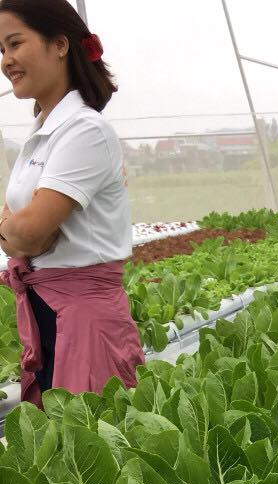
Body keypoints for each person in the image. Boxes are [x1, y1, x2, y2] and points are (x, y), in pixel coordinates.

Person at [0, 0, 142, 406]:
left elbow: (30, 231)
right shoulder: (43, 133)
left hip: (84, 322)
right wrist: (17, 232)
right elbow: (22, 230)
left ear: (59, 44)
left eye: (15, 43)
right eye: (1, 50)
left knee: (91, 432)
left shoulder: (85, 129)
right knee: (63, 434)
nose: (6, 60)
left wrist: (20, 231)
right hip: (48, 312)